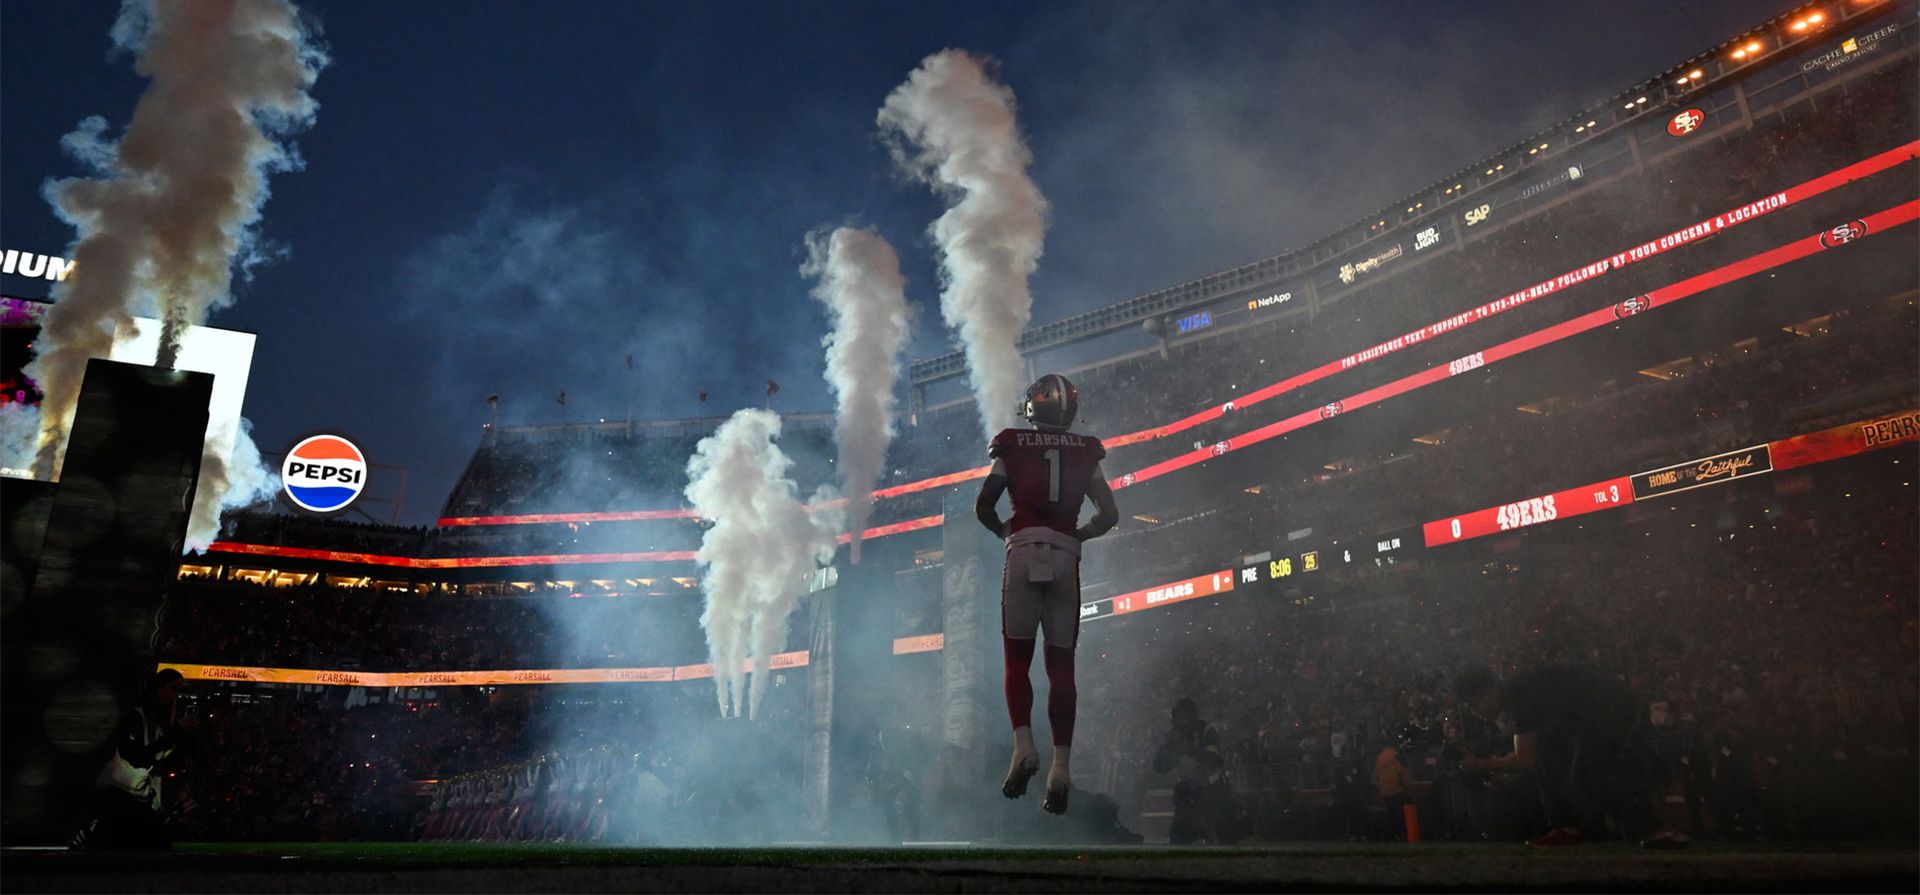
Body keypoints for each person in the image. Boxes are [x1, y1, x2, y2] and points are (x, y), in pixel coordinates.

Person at [975, 373, 1120, 815]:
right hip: (1064, 555)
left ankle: (1023, 746)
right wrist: (1079, 535)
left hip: (1022, 549)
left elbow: (984, 505)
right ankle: (1061, 766)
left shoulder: (1012, 444)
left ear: (1033, 407)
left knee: (1017, 659)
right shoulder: (1086, 452)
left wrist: (1009, 533)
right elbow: (1110, 514)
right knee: (1061, 667)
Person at [1450, 665, 1686, 848]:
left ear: (1489, 692)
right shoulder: (1521, 692)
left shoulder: (1520, 698)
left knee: (1589, 774)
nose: (1476, 713)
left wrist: (1479, 764)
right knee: (1552, 759)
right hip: (1596, 709)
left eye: (1475, 704)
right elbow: (1534, 755)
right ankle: (1566, 826)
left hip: (1605, 708)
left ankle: (1656, 828)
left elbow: (1524, 758)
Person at [70, 668, 191, 850]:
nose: (176, 695)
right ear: (158, 688)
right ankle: (93, 830)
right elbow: (136, 757)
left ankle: (98, 833)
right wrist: (174, 735)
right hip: (117, 791)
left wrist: (187, 740)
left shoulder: (161, 726)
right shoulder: (136, 717)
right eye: (173, 688)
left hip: (138, 795)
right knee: (153, 837)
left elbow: (162, 763)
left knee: (153, 841)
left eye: (179, 690)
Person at [1151, 697, 1231, 844]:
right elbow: (1160, 767)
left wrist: (1189, 750)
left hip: (1212, 790)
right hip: (1188, 793)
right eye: (1177, 718)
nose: (1181, 722)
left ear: (1191, 717)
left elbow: (1214, 761)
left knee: (1217, 837)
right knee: (1180, 839)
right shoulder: (1174, 735)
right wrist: (1166, 749)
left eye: (1184, 718)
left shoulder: (1206, 730)